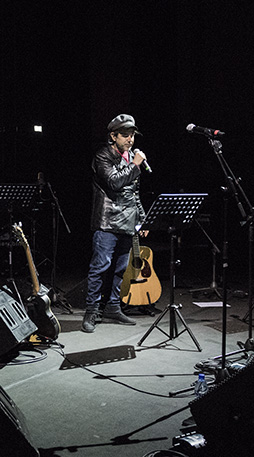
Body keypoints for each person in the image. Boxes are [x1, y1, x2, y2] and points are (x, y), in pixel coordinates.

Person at [82, 114, 148, 333]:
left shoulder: (131, 158)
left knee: (120, 269)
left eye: (132, 136)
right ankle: (91, 310)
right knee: (100, 267)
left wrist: (142, 219)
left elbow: (134, 194)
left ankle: (113, 306)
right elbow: (114, 182)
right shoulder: (103, 155)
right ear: (113, 136)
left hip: (128, 221)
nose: (130, 140)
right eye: (125, 136)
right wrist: (135, 165)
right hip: (107, 221)